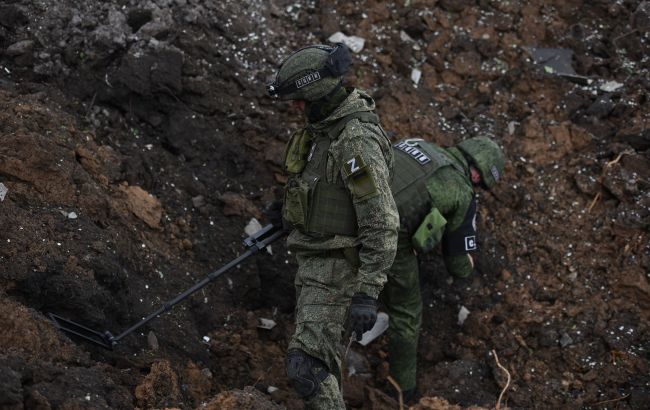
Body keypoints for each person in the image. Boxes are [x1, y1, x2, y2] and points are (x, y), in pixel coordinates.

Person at [265, 43, 399, 409]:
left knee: (306, 366)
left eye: (299, 101)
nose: (295, 109)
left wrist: (368, 291)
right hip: (315, 261)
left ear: (316, 94)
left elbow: (382, 221)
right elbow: (325, 190)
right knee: (318, 363)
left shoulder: (355, 141)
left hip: (337, 269)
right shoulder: (325, 129)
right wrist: (290, 212)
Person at [381, 136, 505, 402]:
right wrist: (469, 266)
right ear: (475, 174)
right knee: (406, 313)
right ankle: (401, 390)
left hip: (350, 198)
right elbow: (457, 264)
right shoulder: (462, 191)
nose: (477, 189)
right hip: (383, 232)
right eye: (480, 185)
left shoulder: (417, 143)